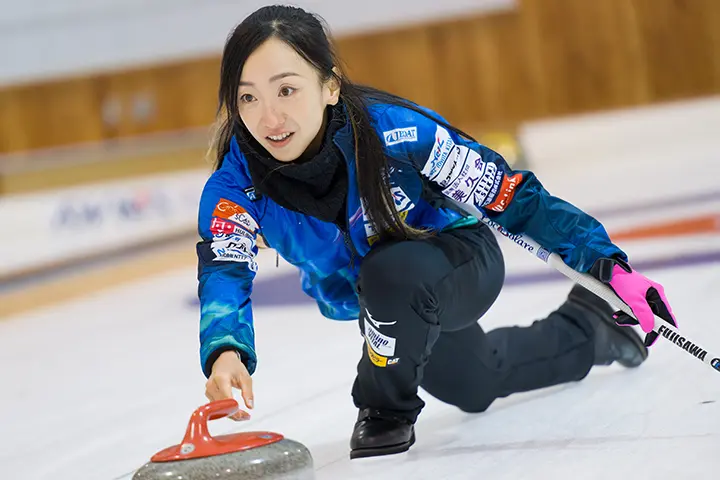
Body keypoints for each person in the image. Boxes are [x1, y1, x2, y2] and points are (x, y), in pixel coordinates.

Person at [197, 4, 678, 460]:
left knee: (389, 272)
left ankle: (385, 407)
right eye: (247, 97)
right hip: (387, 300)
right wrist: (225, 351)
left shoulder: (396, 133)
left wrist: (607, 266)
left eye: (287, 90)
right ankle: (589, 328)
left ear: (330, 86)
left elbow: (513, 199)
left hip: (459, 258)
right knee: (476, 382)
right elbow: (224, 271)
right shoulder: (234, 185)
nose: (269, 118)